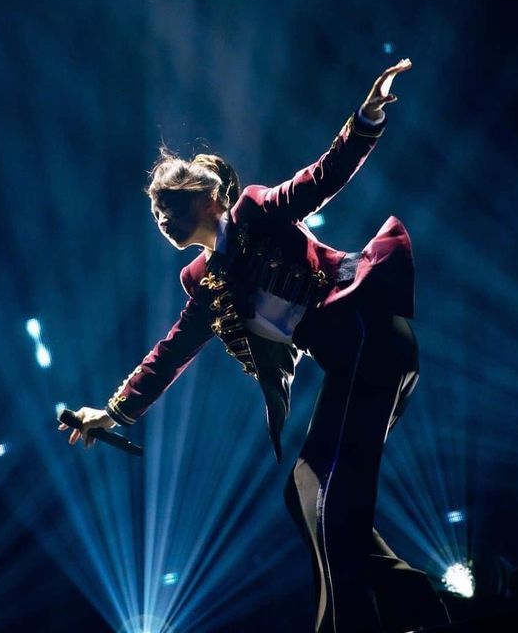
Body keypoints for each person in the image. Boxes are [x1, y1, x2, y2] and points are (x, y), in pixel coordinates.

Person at [59, 59, 450, 633]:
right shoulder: (202, 282)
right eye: (156, 212)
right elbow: (170, 352)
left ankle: (348, 625)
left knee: (330, 492)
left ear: (210, 198)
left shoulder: (257, 211)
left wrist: (366, 118)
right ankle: (415, 603)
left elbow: (322, 177)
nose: (161, 218)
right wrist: (113, 413)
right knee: (303, 494)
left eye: (170, 205)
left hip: (371, 334)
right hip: (352, 363)